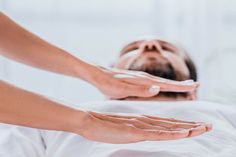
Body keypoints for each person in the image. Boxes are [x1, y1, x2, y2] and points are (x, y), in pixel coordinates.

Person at [0, 12, 208, 144]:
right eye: (132, 49)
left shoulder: (224, 113)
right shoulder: (43, 119)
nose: (149, 46)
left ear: (194, 93)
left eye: (167, 48)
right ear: (107, 93)